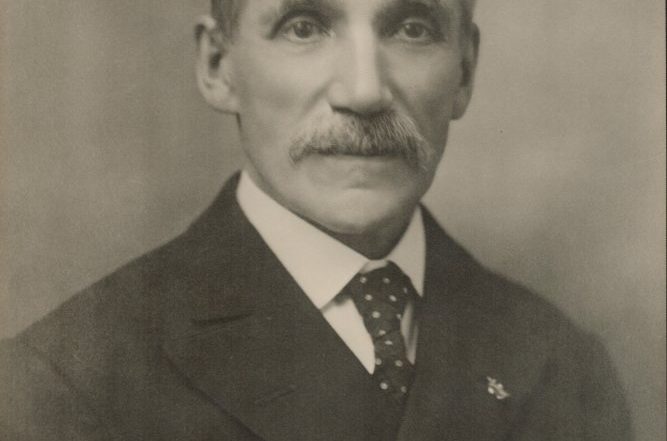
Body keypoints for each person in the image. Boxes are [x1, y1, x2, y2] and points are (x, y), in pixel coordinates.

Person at [0, 0, 632, 440]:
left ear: (464, 70)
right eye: (304, 26)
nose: (364, 91)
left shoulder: (563, 366)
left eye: (412, 28)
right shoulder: (66, 382)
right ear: (218, 67)